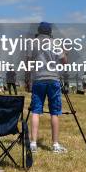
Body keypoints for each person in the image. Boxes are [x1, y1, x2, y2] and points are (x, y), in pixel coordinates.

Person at [29, 22, 67, 154]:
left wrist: (29, 79)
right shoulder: (55, 43)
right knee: (55, 112)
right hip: (53, 79)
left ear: (39, 32)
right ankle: (55, 144)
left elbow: (28, 62)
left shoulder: (32, 43)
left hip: (38, 79)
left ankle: (33, 143)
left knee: (35, 110)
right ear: (50, 32)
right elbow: (64, 61)